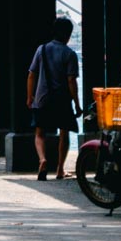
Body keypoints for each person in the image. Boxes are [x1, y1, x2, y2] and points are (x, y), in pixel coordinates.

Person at [25, 16, 80, 180]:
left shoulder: (41, 50)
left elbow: (31, 75)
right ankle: (60, 169)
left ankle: (42, 159)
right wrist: (77, 104)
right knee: (64, 134)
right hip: (62, 100)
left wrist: (30, 97)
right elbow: (71, 81)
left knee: (40, 133)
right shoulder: (70, 54)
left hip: (42, 98)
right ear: (68, 35)